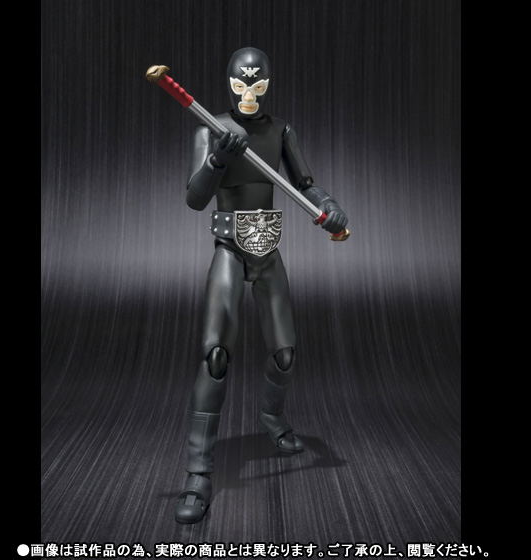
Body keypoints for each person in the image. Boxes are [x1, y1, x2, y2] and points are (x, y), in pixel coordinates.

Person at [175, 47, 348, 524]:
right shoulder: (209, 128)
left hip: (268, 251)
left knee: (285, 354)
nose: (248, 94)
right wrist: (216, 161)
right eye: (240, 85)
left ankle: (272, 418)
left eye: (257, 85)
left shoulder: (281, 131)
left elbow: (306, 184)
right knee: (215, 355)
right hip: (229, 249)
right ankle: (198, 472)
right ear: (229, 84)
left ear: (267, 84)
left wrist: (330, 205)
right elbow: (194, 199)